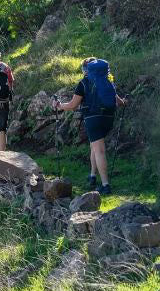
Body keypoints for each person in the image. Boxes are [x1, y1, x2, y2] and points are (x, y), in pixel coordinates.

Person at [52, 57, 125, 195]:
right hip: (108, 118)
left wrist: (59, 105)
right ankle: (92, 175)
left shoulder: (84, 83)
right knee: (94, 146)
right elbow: (119, 102)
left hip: (93, 118)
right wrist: (125, 101)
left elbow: (73, 105)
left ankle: (105, 185)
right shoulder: (108, 82)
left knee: (99, 150)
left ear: (85, 70)